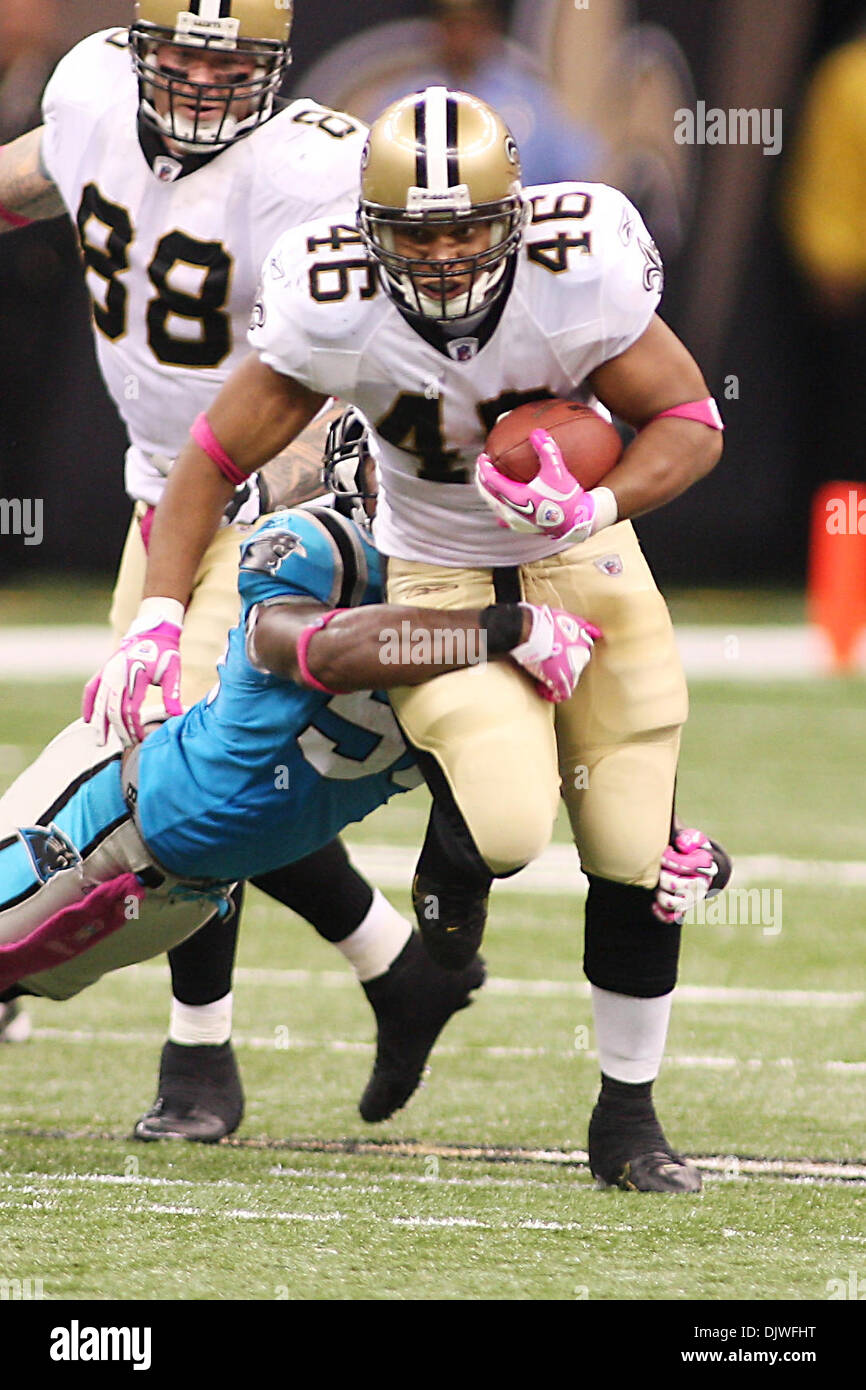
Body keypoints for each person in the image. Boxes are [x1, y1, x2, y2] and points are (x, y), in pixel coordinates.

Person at [83, 88, 729, 1193]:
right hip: (436, 571)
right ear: (369, 233)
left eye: (466, 227)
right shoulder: (332, 297)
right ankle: (443, 893)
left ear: (515, 214)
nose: (442, 256)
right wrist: (152, 612)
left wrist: (597, 504)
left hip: (585, 561)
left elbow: (689, 422)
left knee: (630, 845)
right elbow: (210, 457)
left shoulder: (583, 262)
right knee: (511, 823)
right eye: (416, 233)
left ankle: (627, 1121)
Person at [0, 0, 420, 1140]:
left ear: (275, 69)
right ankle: (393, 961)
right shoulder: (89, 91)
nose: (195, 77)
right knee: (177, 765)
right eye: (178, 49)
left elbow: (346, 342)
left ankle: (198, 1060)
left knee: (175, 778)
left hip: (268, 496)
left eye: (224, 58)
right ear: (137, 49)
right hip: (163, 493)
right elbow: (48, 173)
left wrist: (284, 487)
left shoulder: (306, 170)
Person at [0, 421, 601, 1132]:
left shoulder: (506, 599)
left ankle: (396, 977)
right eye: (412, 470)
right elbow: (327, 652)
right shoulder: (314, 547)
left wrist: (666, 839)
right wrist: (498, 631)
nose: (437, 493)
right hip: (105, 819)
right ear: (356, 472)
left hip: (189, 901)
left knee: (22, 981)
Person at [368, 0, 603, 187]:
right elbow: (372, 169)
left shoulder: (529, 97)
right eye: (452, 27)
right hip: (428, 231)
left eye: (471, 26)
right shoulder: (404, 100)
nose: (462, 38)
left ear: (489, 27)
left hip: (519, 229)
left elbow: (578, 169)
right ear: (436, 31)